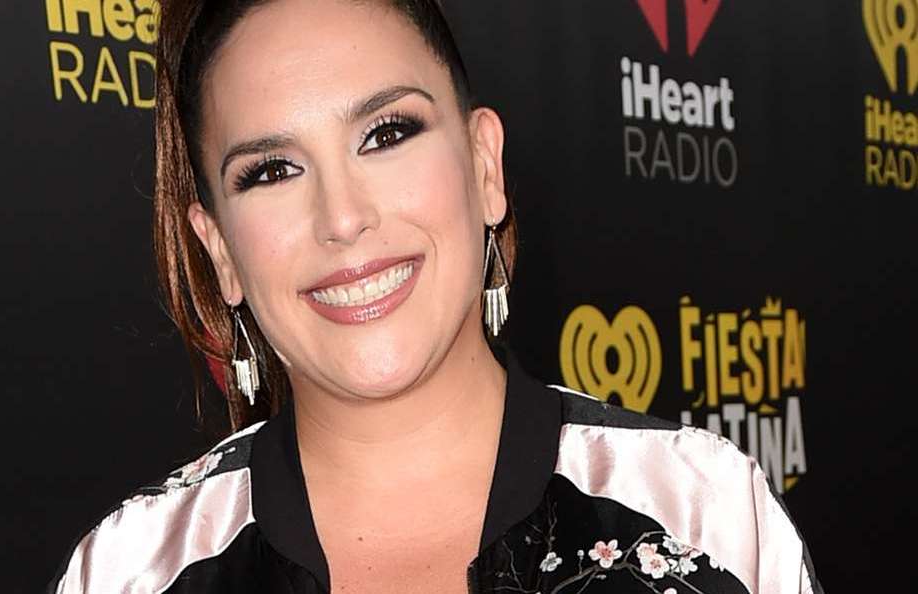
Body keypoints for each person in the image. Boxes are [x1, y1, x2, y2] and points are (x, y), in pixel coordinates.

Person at [48, 1, 823, 592]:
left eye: (386, 134)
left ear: (484, 166)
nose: (343, 218)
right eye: (273, 171)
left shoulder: (706, 515)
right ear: (221, 250)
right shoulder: (132, 573)